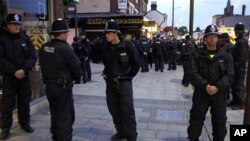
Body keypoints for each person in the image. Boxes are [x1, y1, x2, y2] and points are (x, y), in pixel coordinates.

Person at [187, 25, 234, 141]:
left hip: (219, 94)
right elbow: (192, 73)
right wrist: (205, 85)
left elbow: (230, 75)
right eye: (209, 36)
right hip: (201, 93)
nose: (212, 38)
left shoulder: (226, 55)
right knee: (196, 120)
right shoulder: (197, 54)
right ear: (205, 39)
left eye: (214, 36)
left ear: (218, 38)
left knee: (219, 122)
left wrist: (218, 87)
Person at [38, 18, 82, 141]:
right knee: (65, 116)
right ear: (62, 33)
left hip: (49, 87)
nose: (68, 34)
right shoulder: (66, 48)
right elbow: (77, 69)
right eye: (67, 32)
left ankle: (55, 137)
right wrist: (74, 78)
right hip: (62, 88)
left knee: (55, 113)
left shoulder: (44, 47)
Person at [101, 20, 140, 141]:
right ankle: (121, 131)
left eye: (108, 33)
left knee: (127, 111)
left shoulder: (128, 46)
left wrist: (128, 77)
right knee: (113, 109)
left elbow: (136, 64)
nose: (106, 35)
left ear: (116, 33)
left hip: (124, 83)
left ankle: (131, 136)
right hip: (110, 83)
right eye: (106, 33)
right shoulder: (105, 47)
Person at [0, 13, 37, 140]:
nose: (17, 26)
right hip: (9, 78)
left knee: (24, 101)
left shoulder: (25, 38)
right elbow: (1, 59)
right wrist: (14, 71)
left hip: (24, 77)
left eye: (18, 24)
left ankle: (24, 123)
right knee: (7, 104)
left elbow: (32, 55)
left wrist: (24, 69)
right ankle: (5, 128)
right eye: (14, 24)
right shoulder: (2, 39)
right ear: (7, 25)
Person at [229, 22, 249, 110]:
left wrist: (238, 66)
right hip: (236, 66)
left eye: (237, 31)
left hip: (239, 68)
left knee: (239, 85)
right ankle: (235, 100)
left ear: (240, 32)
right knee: (234, 85)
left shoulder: (242, 42)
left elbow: (242, 57)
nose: (235, 32)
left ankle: (241, 103)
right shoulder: (239, 41)